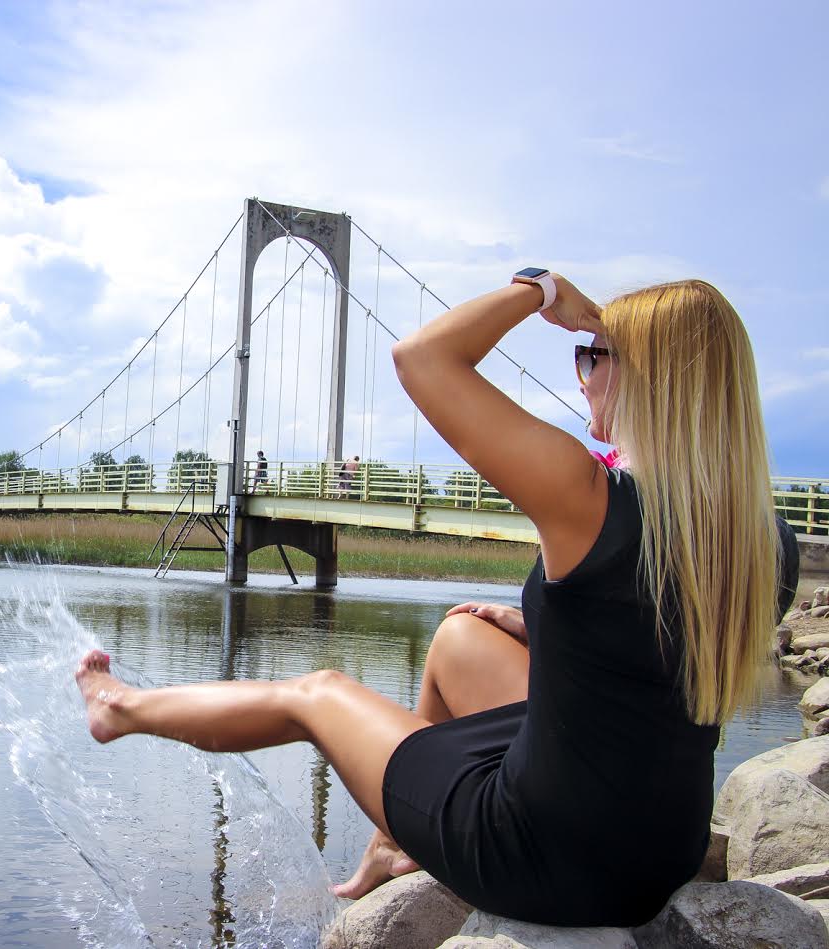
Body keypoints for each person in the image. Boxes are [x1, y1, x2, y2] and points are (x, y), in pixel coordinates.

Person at [75, 274, 798, 927]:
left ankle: (120, 708)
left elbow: (422, 358)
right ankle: (395, 843)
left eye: (593, 356)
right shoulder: (767, 542)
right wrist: (545, 625)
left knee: (316, 694)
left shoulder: (588, 496)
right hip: (659, 852)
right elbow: (654, 651)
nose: (582, 379)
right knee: (459, 635)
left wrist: (541, 290)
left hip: (544, 860)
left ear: (646, 379)